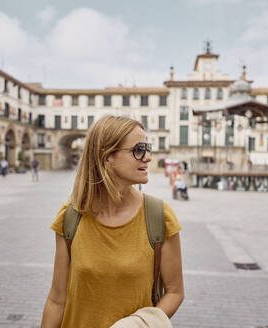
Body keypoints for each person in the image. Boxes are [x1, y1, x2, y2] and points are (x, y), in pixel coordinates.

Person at [41, 116, 184, 328]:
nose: (147, 158)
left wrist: (138, 324)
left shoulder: (159, 215)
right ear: (107, 156)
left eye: (147, 148)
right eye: (138, 149)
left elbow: (175, 292)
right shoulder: (71, 217)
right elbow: (56, 300)